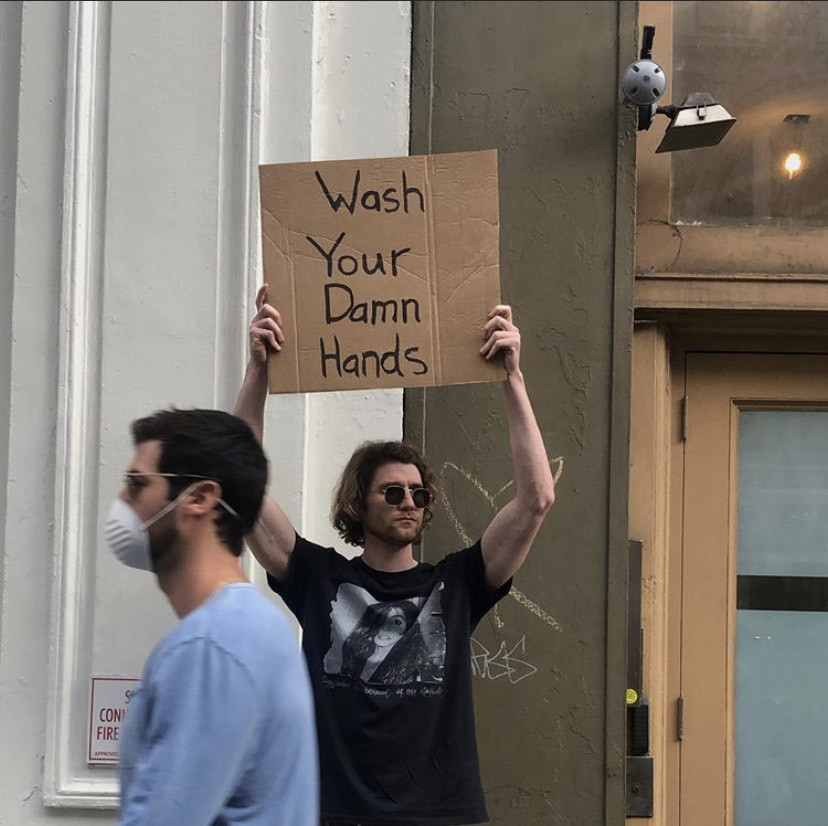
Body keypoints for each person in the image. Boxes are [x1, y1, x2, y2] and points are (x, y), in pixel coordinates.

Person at [234, 286, 555, 825]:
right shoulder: (320, 578)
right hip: (338, 814)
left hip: (441, 815)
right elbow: (238, 488)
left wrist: (513, 379)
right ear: (359, 502)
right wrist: (258, 372)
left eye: (419, 493)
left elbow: (537, 498)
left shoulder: (457, 584)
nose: (409, 501)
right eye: (393, 491)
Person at [105, 408, 319, 825]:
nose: (122, 502)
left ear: (200, 498)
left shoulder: (209, 646)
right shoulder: (259, 625)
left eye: (136, 485)